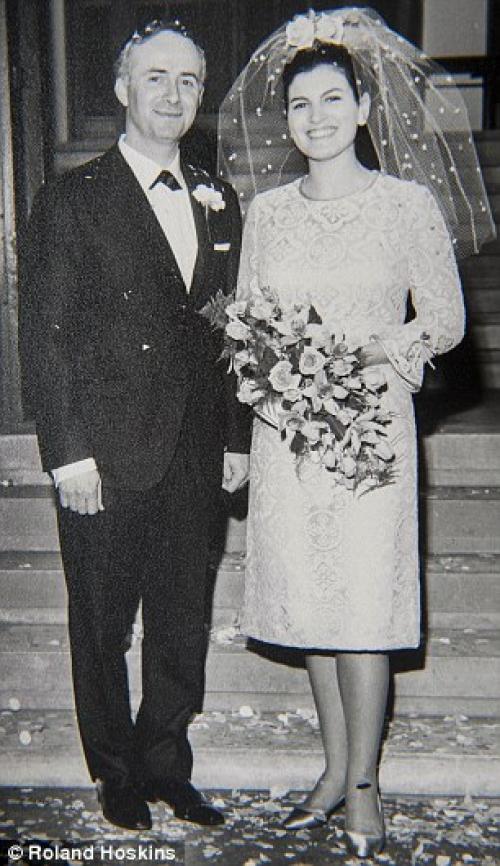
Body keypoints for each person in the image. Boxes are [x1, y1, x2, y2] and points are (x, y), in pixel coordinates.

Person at [218, 8, 495, 859]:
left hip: (371, 425)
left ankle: (367, 785)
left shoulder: (406, 205)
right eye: (301, 105)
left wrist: (378, 344)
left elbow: (444, 320)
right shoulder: (268, 213)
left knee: (365, 608)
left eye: (332, 100)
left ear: (365, 107)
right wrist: (272, 375)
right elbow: (249, 321)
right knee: (312, 602)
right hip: (291, 430)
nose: (316, 118)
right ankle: (335, 768)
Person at [19, 20, 250, 832]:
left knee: (182, 620)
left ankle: (166, 766)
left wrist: (235, 438)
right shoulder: (72, 200)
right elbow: (45, 336)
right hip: (107, 453)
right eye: (156, 78)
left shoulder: (220, 199)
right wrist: (67, 453)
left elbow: (230, 332)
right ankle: (115, 772)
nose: (174, 95)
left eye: (189, 80)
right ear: (122, 90)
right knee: (104, 621)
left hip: (193, 449)